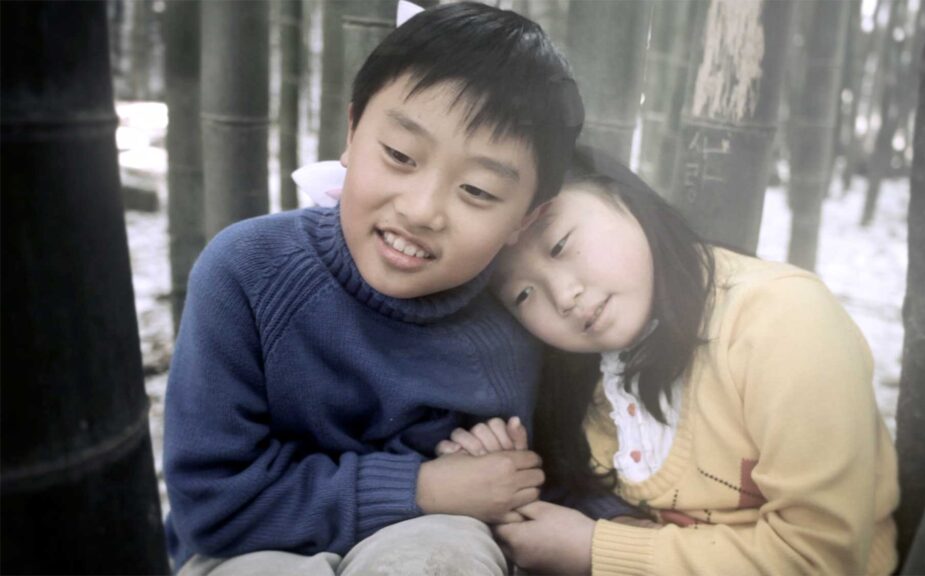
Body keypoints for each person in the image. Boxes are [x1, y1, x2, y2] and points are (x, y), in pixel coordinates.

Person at [162, 5, 635, 575]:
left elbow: (556, 483)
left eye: (478, 191)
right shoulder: (247, 272)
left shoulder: (526, 321)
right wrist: (424, 485)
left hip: (436, 543)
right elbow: (213, 505)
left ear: (524, 220)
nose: (421, 210)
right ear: (353, 130)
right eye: (400, 156)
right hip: (248, 551)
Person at [438, 146, 901, 575]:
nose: (563, 296)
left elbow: (820, 559)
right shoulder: (590, 379)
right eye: (522, 295)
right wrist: (508, 474)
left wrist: (596, 548)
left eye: (559, 245)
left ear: (624, 196)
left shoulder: (783, 321)